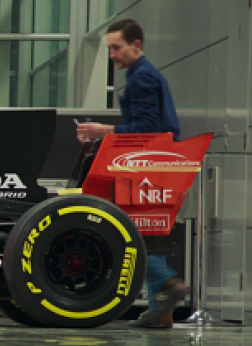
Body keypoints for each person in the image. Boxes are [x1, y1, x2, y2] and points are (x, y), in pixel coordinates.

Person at [76, 20, 188, 329]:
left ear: (136, 45)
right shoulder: (144, 75)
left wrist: (104, 130)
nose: (112, 55)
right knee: (147, 234)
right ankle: (160, 311)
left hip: (149, 165)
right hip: (159, 164)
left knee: (131, 232)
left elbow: (148, 128)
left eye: (117, 48)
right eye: (109, 48)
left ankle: (167, 284)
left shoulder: (141, 78)